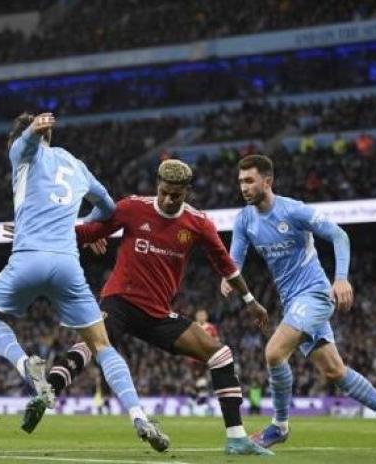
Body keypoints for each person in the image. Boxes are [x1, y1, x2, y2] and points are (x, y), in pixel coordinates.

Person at [22, 159, 273, 456]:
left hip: (157, 314)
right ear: (158, 185)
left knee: (220, 355)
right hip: (120, 301)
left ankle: (236, 438)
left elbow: (225, 264)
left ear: (187, 192)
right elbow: (85, 232)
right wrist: (35, 235)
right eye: (164, 192)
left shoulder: (198, 223)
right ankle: (48, 390)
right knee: (93, 343)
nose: (168, 199)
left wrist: (250, 300)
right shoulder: (132, 208)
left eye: (175, 195)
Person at [0, 112, 168, 452]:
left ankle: (25, 364)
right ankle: (139, 415)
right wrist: (81, 228)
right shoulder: (77, 166)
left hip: (29, 258)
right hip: (67, 264)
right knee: (102, 346)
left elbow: (25, 144)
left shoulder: (22, 154)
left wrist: (33, 129)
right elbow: (108, 209)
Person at [221, 154, 376, 451]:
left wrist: (341, 278)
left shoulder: (293, 211)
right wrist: (229, 276)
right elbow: (235, 258)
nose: (243, 187)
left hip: (315, 294)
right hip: (292, 302)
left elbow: (339, 235)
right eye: (240, 182)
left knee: (274, 353)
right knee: (335, 372)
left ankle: (279, 426)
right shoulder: (244, 219)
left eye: (249, 180)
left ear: (267, 181)